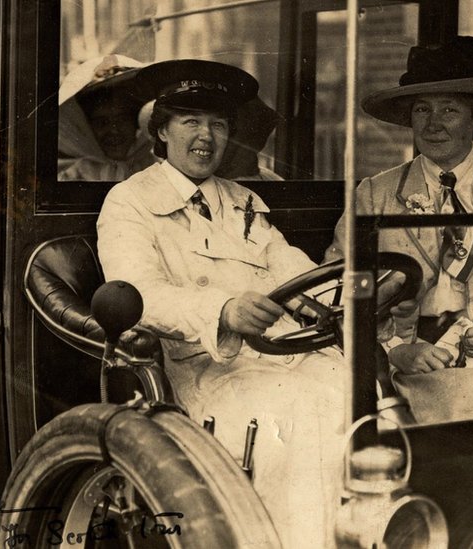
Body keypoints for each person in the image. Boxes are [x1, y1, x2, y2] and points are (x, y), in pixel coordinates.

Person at [97, 59, 344, 549]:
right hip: (204, 371)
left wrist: (347, 299)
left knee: (361, 396)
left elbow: (294, 270)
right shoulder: (129, 202)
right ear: (162, 131)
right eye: (190, 121)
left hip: (282, 357)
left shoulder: (244, 201)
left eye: (218, 124)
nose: (205, 135)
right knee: (300, 412)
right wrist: (223, 310)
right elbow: (139, 295)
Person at [326, 36, 473, 423]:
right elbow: (337, 297)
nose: (433, 124)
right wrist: (394, 350)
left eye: (449, 110)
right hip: (416, 368)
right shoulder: (375, 194)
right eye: (422, 110)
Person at [58, 54, 155, 181]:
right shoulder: (70, 178)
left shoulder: (159, 171)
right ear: (85, 128)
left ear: (135, 121)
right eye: (102, 123)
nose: (114, 130)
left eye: (122, 120)